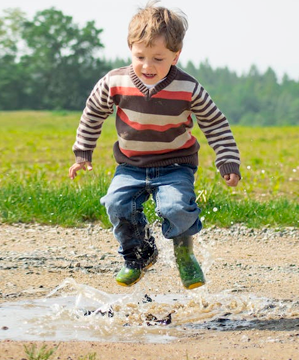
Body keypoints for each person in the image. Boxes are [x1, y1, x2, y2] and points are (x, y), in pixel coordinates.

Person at [69, 0, 241, 290]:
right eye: (140, 56)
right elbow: (93, 113)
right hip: (131, 165)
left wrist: (227, 161)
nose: (148, 66)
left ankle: (184, 252)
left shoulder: (189, 88)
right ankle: (139, 254)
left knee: (175, 208)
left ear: (176, 55)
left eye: (158, 58)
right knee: (116, 204)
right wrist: (82, 152)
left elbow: (215, 123)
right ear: (130, 49)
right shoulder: (115, 81)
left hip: (176, 165)